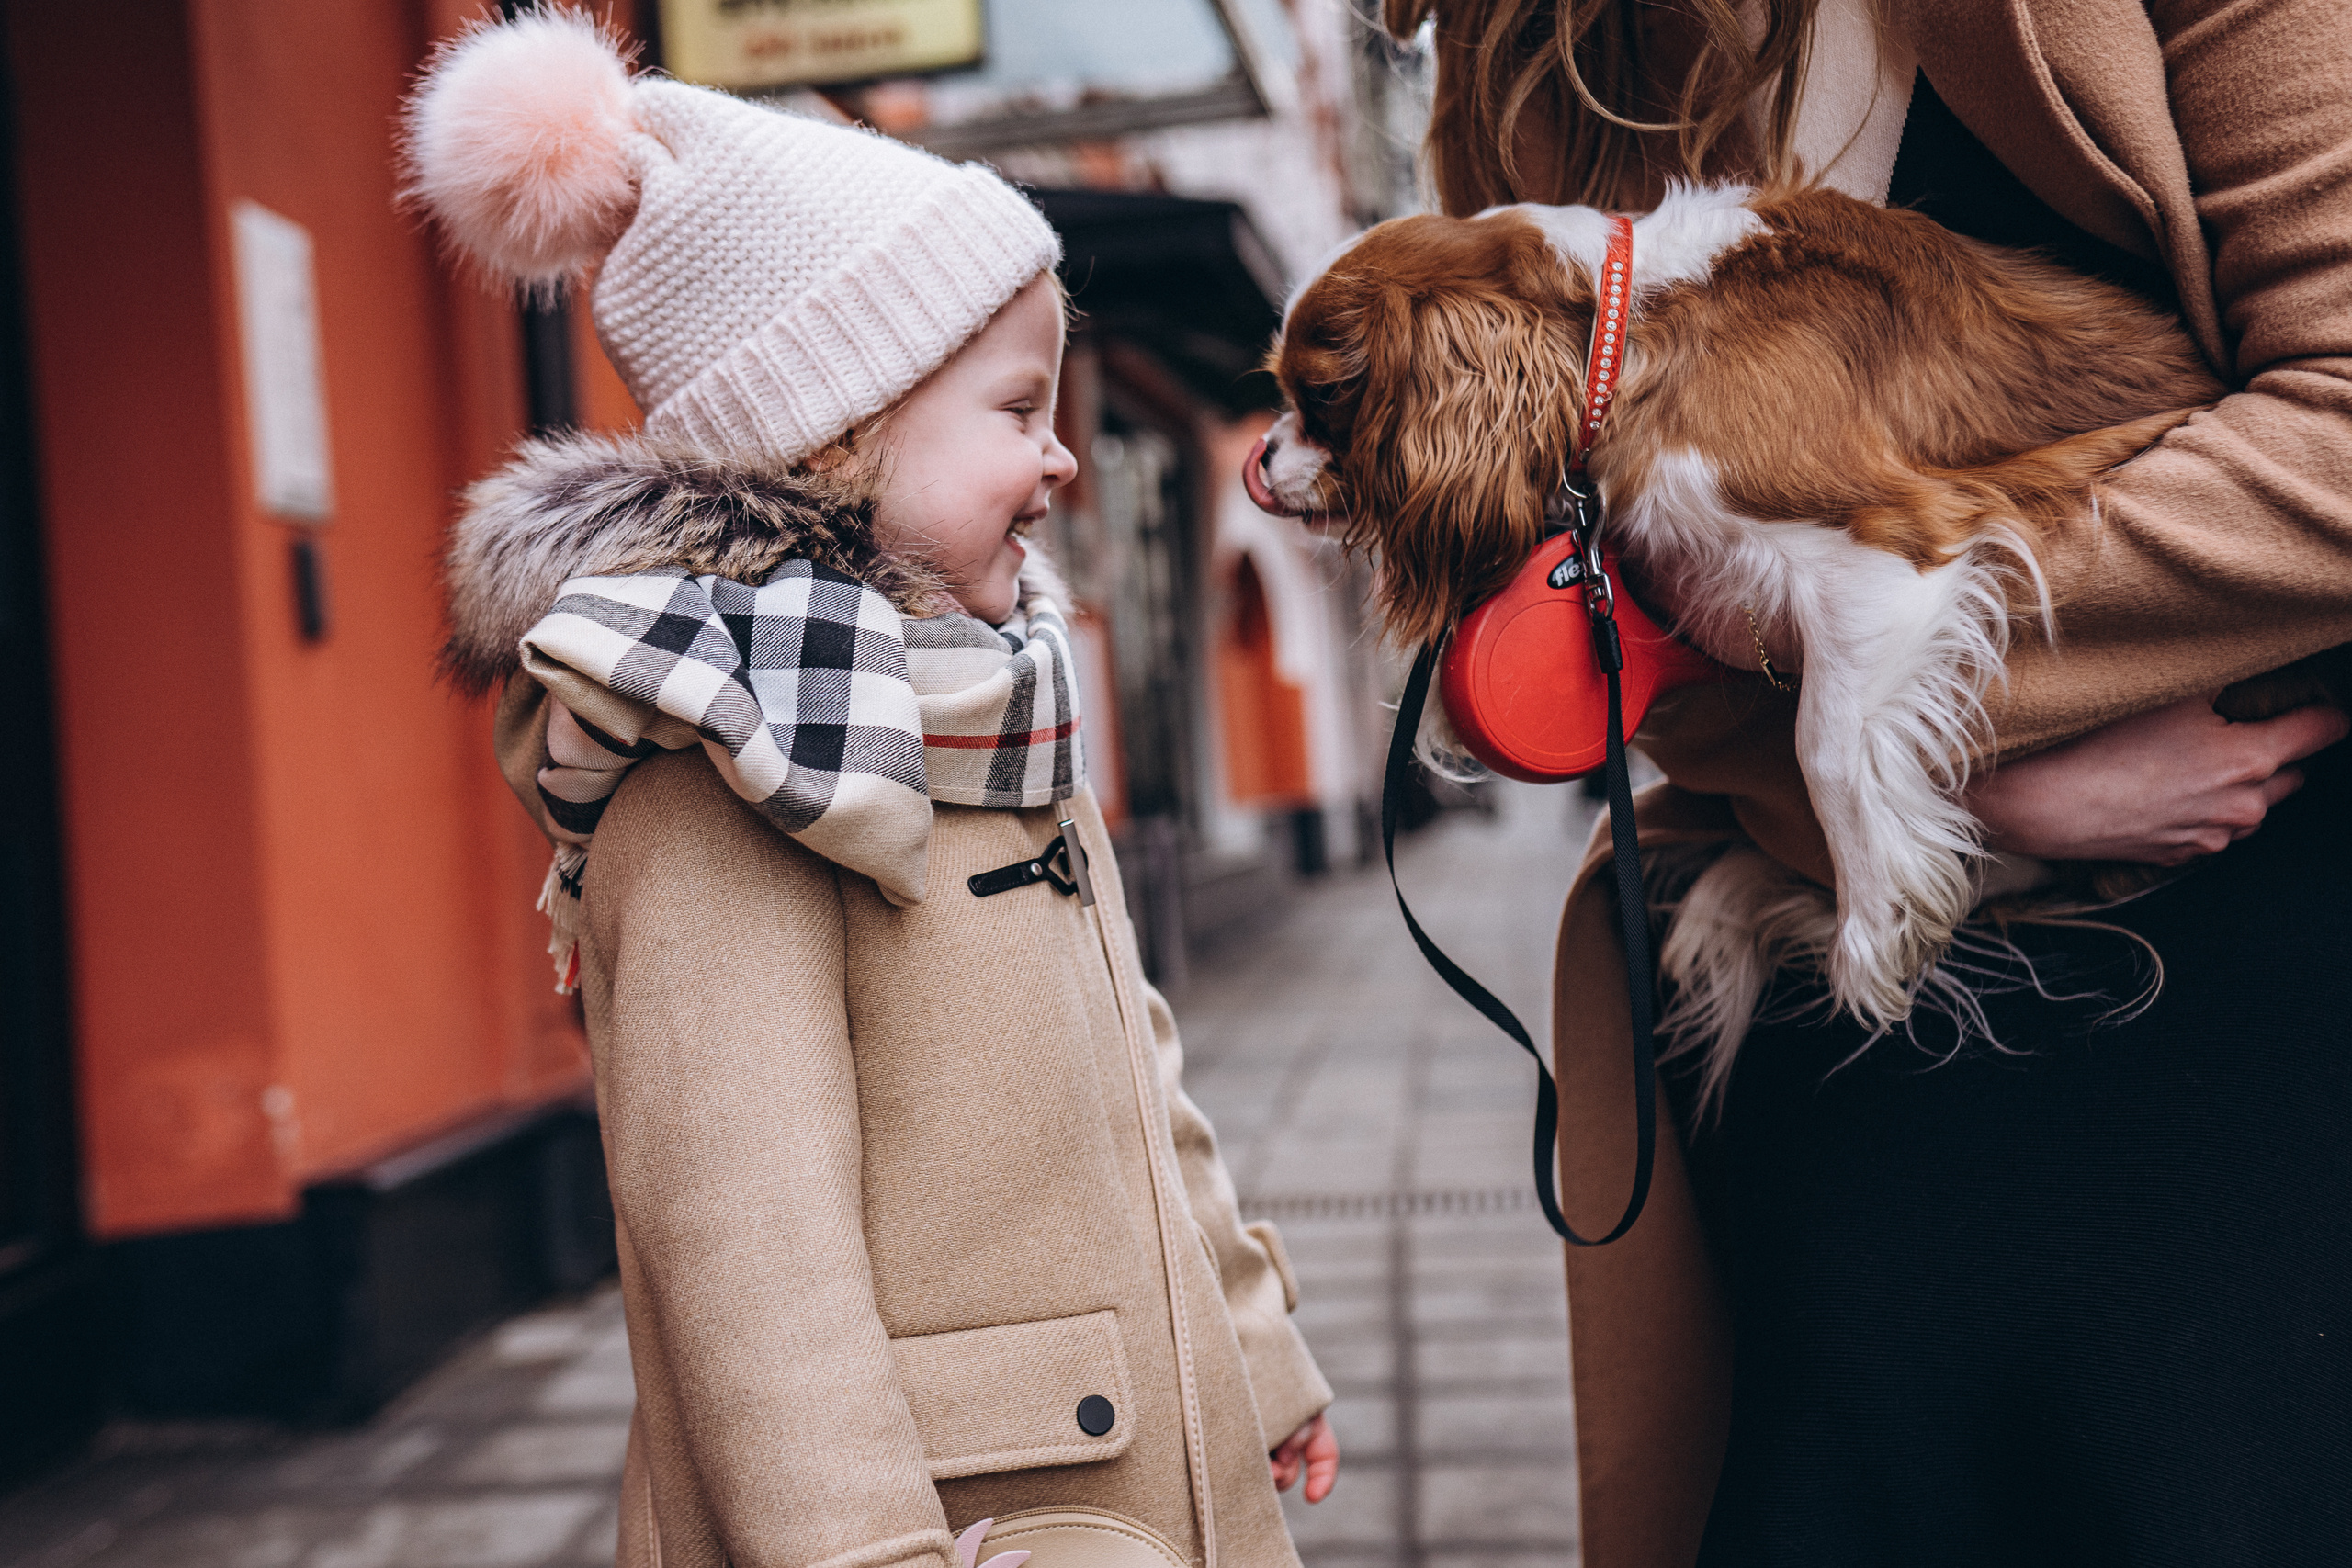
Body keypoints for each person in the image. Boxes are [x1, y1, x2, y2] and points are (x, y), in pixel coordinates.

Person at [1387, 0, 2352, 1563]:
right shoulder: (1535, 48)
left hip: (2262, 995)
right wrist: (1940, 786)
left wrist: (1955, 705)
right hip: (1833, 1032)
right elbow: (1575, 568)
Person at [403, 13, 1335, 1568]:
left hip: (1130, 1481)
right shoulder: (725, 767)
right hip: (958, 1523)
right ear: (837, 427)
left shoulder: (996, 709)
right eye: (1015, 409)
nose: (1062, 462)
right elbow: (746, 1262)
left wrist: (1255, 1350)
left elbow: (1136, 1076)